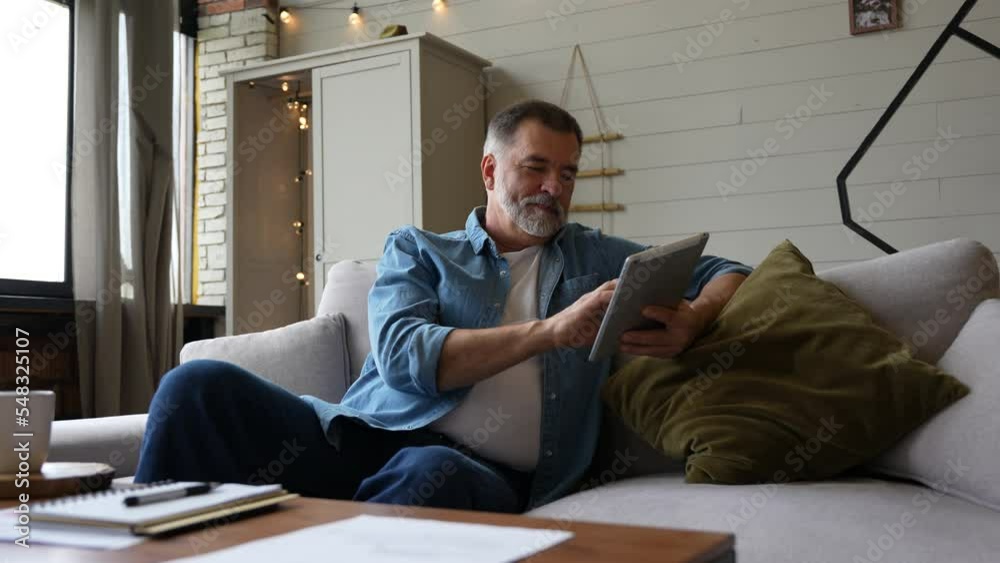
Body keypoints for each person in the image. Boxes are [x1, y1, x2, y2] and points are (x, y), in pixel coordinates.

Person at [134, 100, 752, 513]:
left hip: (483, 477)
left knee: (430, 472)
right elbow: (406, 360)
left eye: (567, 174)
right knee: (196, 386)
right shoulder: (419, 249)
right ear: (490, 168)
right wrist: (549, 331)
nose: (553, 188)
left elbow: (729, 270)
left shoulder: (597, 257)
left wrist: (695, 317)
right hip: (361, 438)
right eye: (535, 168)